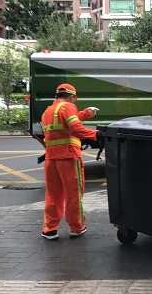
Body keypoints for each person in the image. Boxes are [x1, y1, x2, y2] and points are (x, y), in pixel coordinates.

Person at [40, 83, 99, 240]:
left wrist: (86, 113)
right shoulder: (68, 106)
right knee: (73, 194)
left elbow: (66, 122)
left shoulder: (48, 110)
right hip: (68, 156)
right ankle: (77, 228)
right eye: (74, 99)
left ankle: (50, 229)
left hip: (51, 158)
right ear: (71, 97)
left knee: (53, 195)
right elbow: (75, 128)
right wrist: (97, 134)